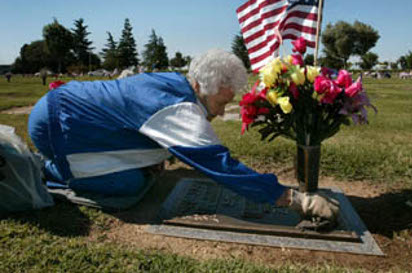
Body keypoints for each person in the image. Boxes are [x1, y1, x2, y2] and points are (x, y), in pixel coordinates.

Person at [28, 50, 339, 221]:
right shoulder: (177, 108)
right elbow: (219, 164)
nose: (218, 113)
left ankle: (58, 163)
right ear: (203, 89)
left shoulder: (177, 84)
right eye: (221, 104)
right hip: (57, 125)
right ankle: (48, 170)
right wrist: (292, 198)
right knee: (129, 186)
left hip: (67, 109)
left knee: (146, 172)